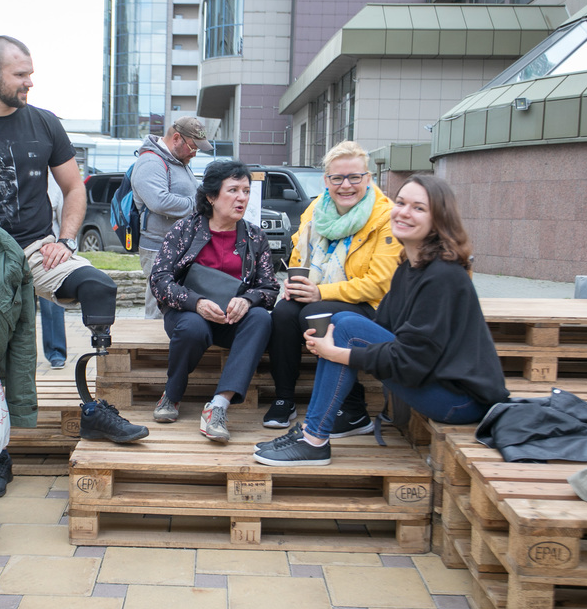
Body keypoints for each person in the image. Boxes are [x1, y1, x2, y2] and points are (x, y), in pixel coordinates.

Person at [0, 35, 149, 499]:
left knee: (98, 286)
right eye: (20, 74)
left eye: (30, 73)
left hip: (37, 249)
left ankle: (97, 408)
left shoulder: (45, 124)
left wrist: (65, 241)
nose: (30, 82)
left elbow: (73, 189)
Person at [254, 174, 509, 466]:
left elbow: (412, 361)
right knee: (344, 323)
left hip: (460, 400)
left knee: (346, 325)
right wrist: (331, 344)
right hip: (435, 381)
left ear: (440, 220)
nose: (403, 212)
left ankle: (314, 438)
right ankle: (313, 434)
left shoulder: (443, 277)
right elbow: (385, 330)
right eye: (400, 203)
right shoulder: (409, 269)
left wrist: (337, 352)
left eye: (419, 208)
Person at [264, 141, 402, 433]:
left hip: (372, 306)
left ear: (368, 178)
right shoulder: (317, 209)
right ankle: (284, 399)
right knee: (283, 312)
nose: (346, 185)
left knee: (313, 313)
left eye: (355, 177)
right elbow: (300, 256)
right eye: (337, 178)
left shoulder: (386, 217)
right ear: (326, 180)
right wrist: (295, 285)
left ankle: (353, 410)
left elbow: (380, 283)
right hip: (322, 297)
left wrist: (319, 293)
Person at [150, 160, 278, 442]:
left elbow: (269, 287)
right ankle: (172, 394)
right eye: (233, 190)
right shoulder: (186, 230)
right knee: (194, 327)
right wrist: (195, 302)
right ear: (211, 196)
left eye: (246, 190)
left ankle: (218, 406)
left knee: (261, 318)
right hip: (189, 313)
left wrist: (248, 299)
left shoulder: (255, 236)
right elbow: (159, 279)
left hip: (232, 318)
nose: (242, 197)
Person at [131, 116, 212, 319]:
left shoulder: (177, 160)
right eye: (193, 147)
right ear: (176, 138)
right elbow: (159, 201)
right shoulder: (150, 162)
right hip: (157, 246)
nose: (194, 153)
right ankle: (151, 348)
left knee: (174, 304)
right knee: (158, 306)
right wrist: (199, 204)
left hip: (175, 244)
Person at [40, 176, 67, 369]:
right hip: (16, 250)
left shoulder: (55, 182)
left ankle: (56, 352)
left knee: (51, 306)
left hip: (49, 254)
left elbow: (64, 220)